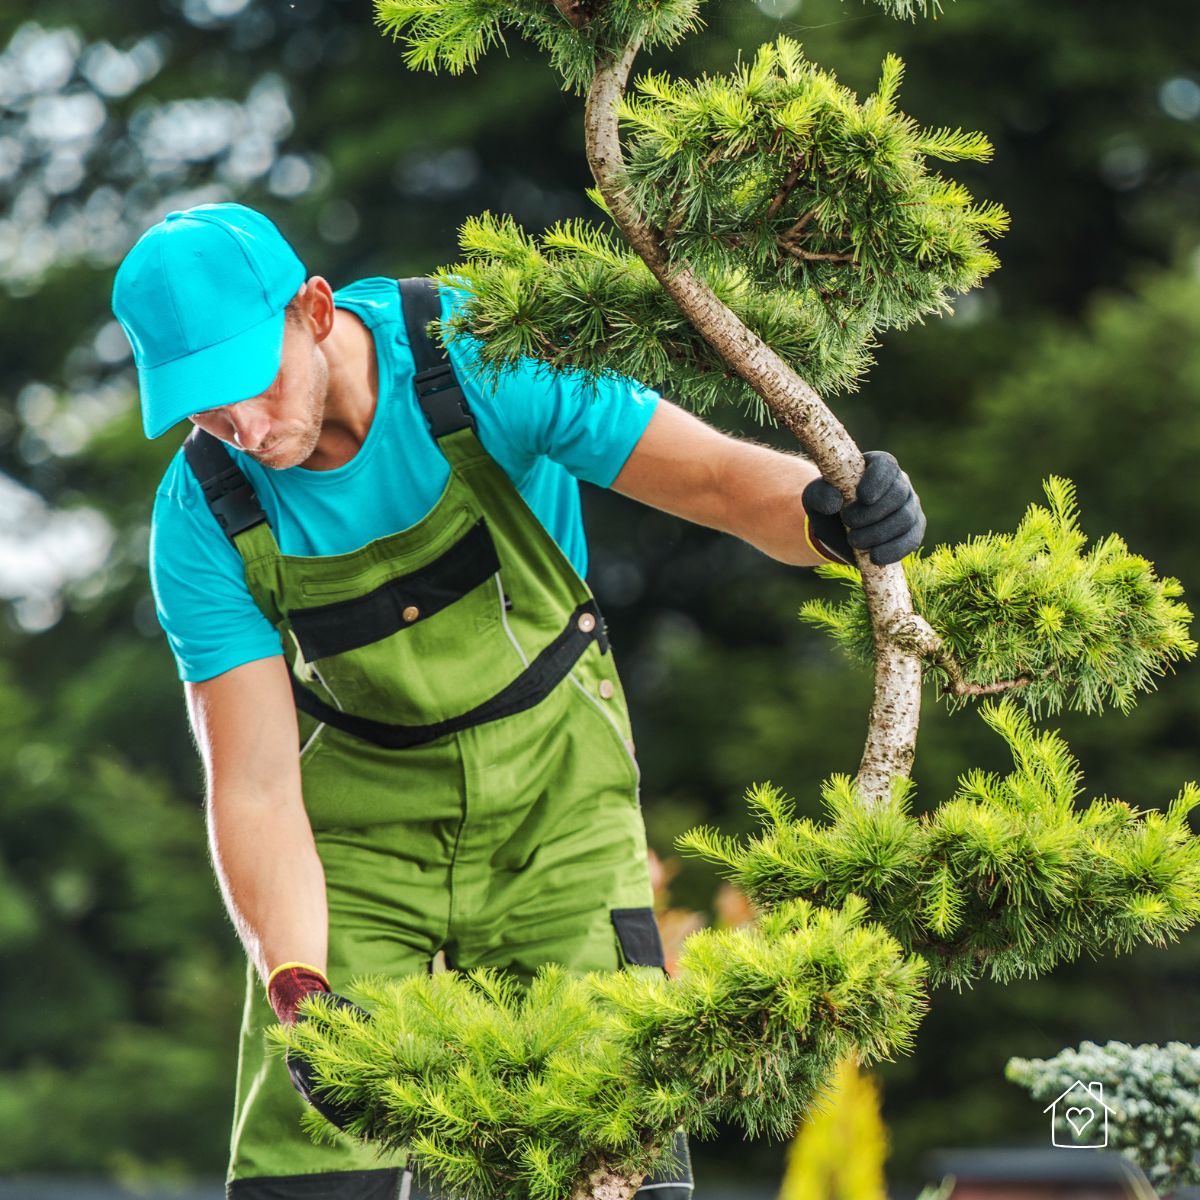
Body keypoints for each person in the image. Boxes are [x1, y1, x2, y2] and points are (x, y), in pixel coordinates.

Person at [111, 203, 925, 1200]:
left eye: (246, 384)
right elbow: (255, 789)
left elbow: (713, 481)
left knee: (601, 1149)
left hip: (557, 808)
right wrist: (300, 990)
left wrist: (827, 515)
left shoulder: (480, 353)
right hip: (357, 849)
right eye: (200, 411)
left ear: (315, 311)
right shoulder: (203, 514)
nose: (237, 427)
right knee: (312, 1173)